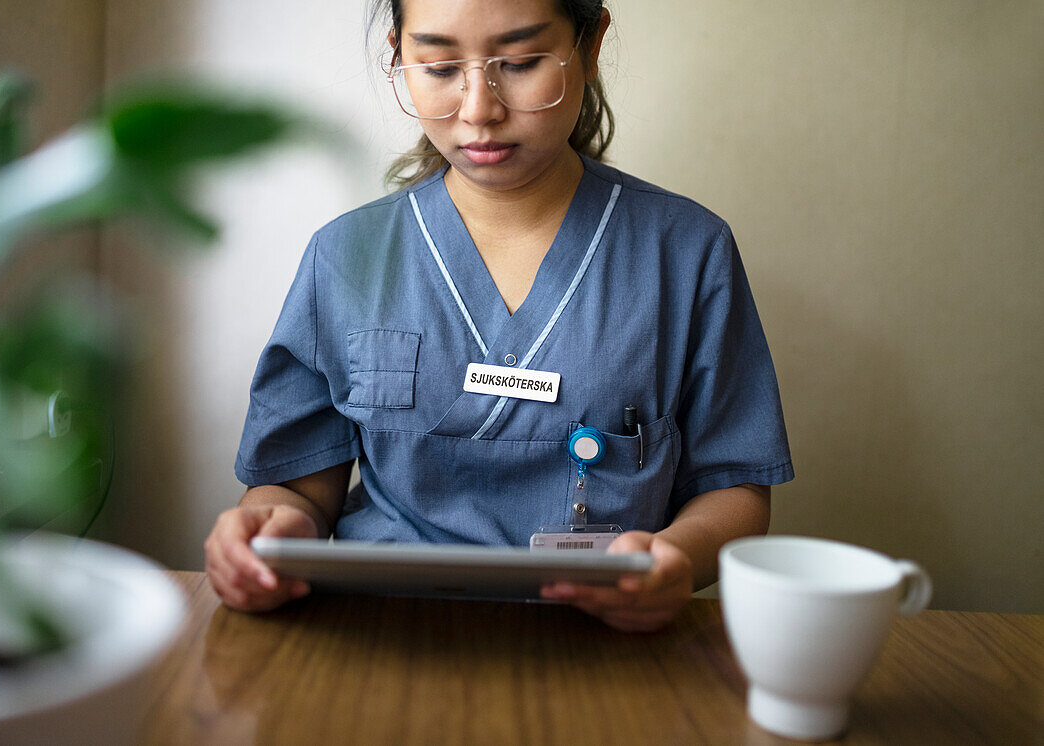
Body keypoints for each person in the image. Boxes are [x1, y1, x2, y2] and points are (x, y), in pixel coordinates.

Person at [205, 0, 793, 632]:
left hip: (605, 644)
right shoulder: (345, 258)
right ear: (398, 57)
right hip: (383, 634)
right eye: (437, 66)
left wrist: (675, 559)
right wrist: (276, 529)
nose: (479, 109)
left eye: (519, 62)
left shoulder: (686, 251)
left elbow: (732, 489)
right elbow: (296, 486)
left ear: (588, 47)